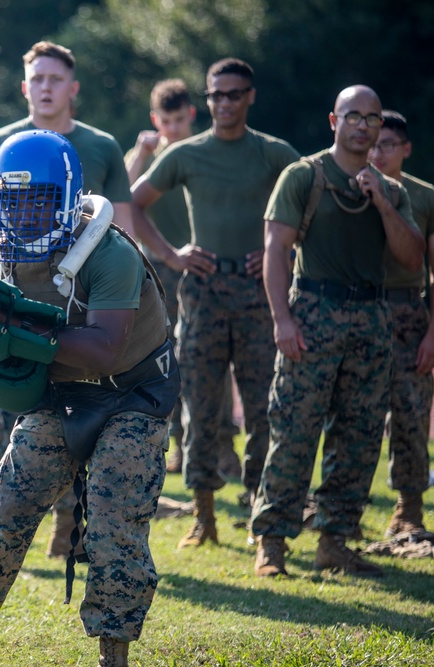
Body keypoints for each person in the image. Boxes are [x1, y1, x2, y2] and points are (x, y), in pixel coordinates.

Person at [0, 129, 178, 667]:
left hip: (132, 392)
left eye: (38, 198)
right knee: (7, 511)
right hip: (61, 394)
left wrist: (17, 335)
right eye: (12, 200)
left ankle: (114, 660)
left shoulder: (109, 253)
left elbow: (106, 348)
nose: (23, 213)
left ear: (66, 197)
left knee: (115, 526)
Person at [0, 41, 133, 558]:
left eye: (55, 79)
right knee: (7, 412)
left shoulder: (101, 146)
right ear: (24, 86)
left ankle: (70, 531)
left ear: (72, 88)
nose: (45, 87)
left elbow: (120, 230)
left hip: (78, 305)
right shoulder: (0, 143)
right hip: (20, 300)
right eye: (36, 78)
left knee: (79, 415)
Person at [251, 86, 424, 578]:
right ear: (334, 120)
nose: (364, 125)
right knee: (295, 430)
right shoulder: (303, 176)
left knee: (361, 434)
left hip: (371, 318)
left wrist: (383, 205)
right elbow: (275, 250)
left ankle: (335, 542)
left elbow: (412, 260)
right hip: (313, 310)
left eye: (372, 118)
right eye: (353, 116)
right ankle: (272, 544)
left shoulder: (392, 189)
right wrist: (282, 320)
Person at [129, 58, 299, 549]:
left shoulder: (272, 153)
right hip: (202, 293)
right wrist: (170, 254)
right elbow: (133, 202)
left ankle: (262, 519)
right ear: (208, 100)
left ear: (250, 97)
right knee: (201, 407)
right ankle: (204, 517)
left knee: (265, 406)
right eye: (215, 95)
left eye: (233, 94)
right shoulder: (189, 155)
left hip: (256, 296)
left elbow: (314, 202)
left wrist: (277, 249)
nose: (224, 103)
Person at [124, 78, 240, 478]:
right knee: (165, 361)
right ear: (155, 120)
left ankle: (224, 448)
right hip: (158, 272)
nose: (172, 129)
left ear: (191, 115)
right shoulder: (148, 159)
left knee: (213, 360)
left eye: (179, 119)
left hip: (202, 267)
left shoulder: (203, 154)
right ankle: (177, 447)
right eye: (165, 121)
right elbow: (122, 200)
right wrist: (141, 153)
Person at [365, 110, 434, 537]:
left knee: (411, 412)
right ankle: (344, 512)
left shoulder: (426, 196)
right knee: (349, 415)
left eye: (388, 145)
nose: (378, 152)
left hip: (406, 312)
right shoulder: (347, 187)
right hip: (355, 308)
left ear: (405, 149)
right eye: (373, 143)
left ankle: (409, 508)